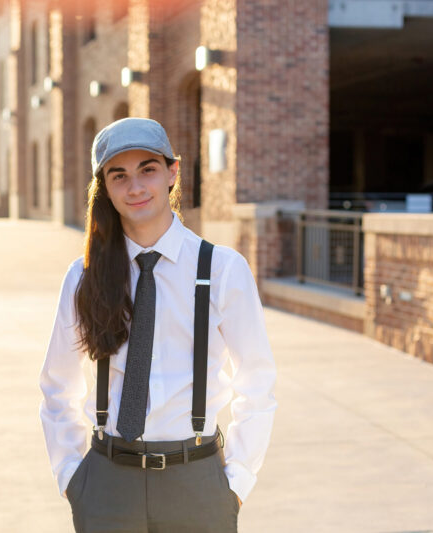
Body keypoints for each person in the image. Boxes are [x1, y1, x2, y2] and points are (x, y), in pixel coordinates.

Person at [39, 117, 277, 533]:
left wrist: (236, 482)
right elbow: (57, 385)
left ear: (172, 172)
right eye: (119, 176)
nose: (135, 187)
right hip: (107, 484)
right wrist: (73, 477)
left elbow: (257, 380)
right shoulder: (84, 275)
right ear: (105, 188)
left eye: (147, 170)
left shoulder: (220, 269)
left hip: (197, 481)